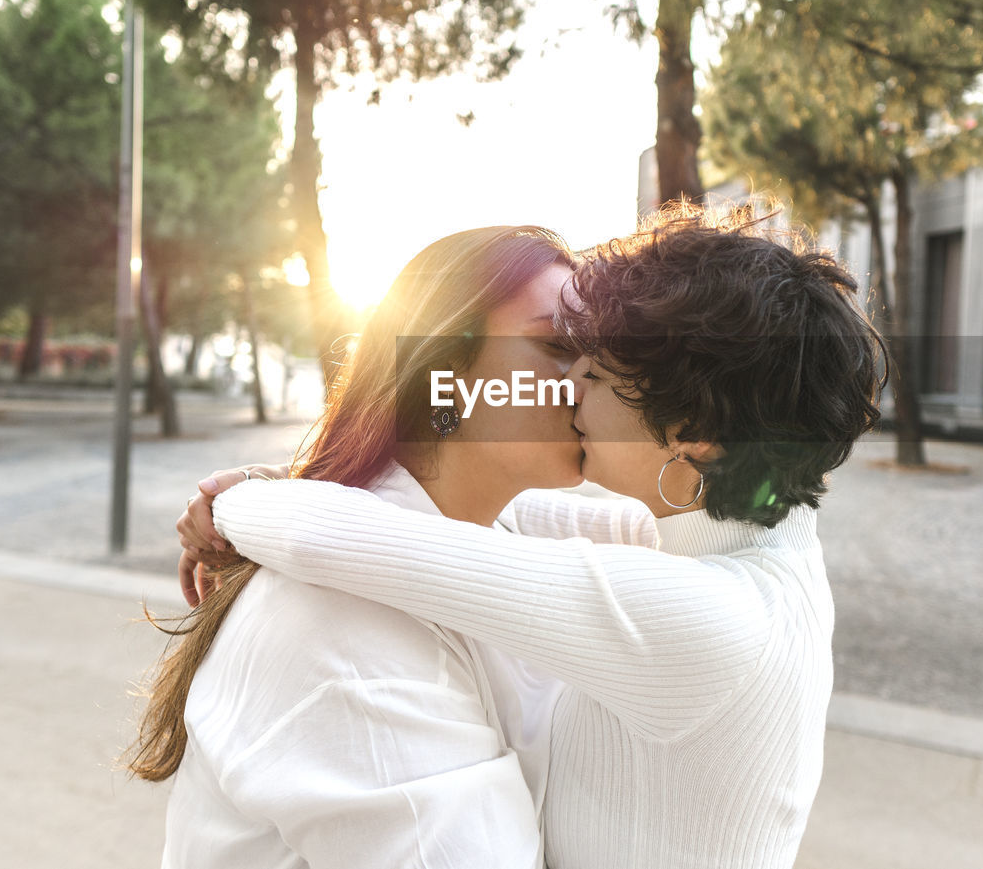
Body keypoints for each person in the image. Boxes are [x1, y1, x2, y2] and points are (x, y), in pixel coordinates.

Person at [180, 201, 886, 869]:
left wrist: (238, 505)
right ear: (446, 375)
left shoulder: (702, 614)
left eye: (597, 363)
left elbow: (373, 543)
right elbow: (484, 525)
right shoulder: (756, 535)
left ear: (694, 435)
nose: (573, 379)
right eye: (557, 344)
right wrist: (302, 477)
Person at [130, 224, 587, 868]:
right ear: (445, 369)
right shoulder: (347, 632)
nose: (596, 374)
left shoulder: (491, 534)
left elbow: (650, 528)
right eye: (557, 343)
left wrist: (261, 492)